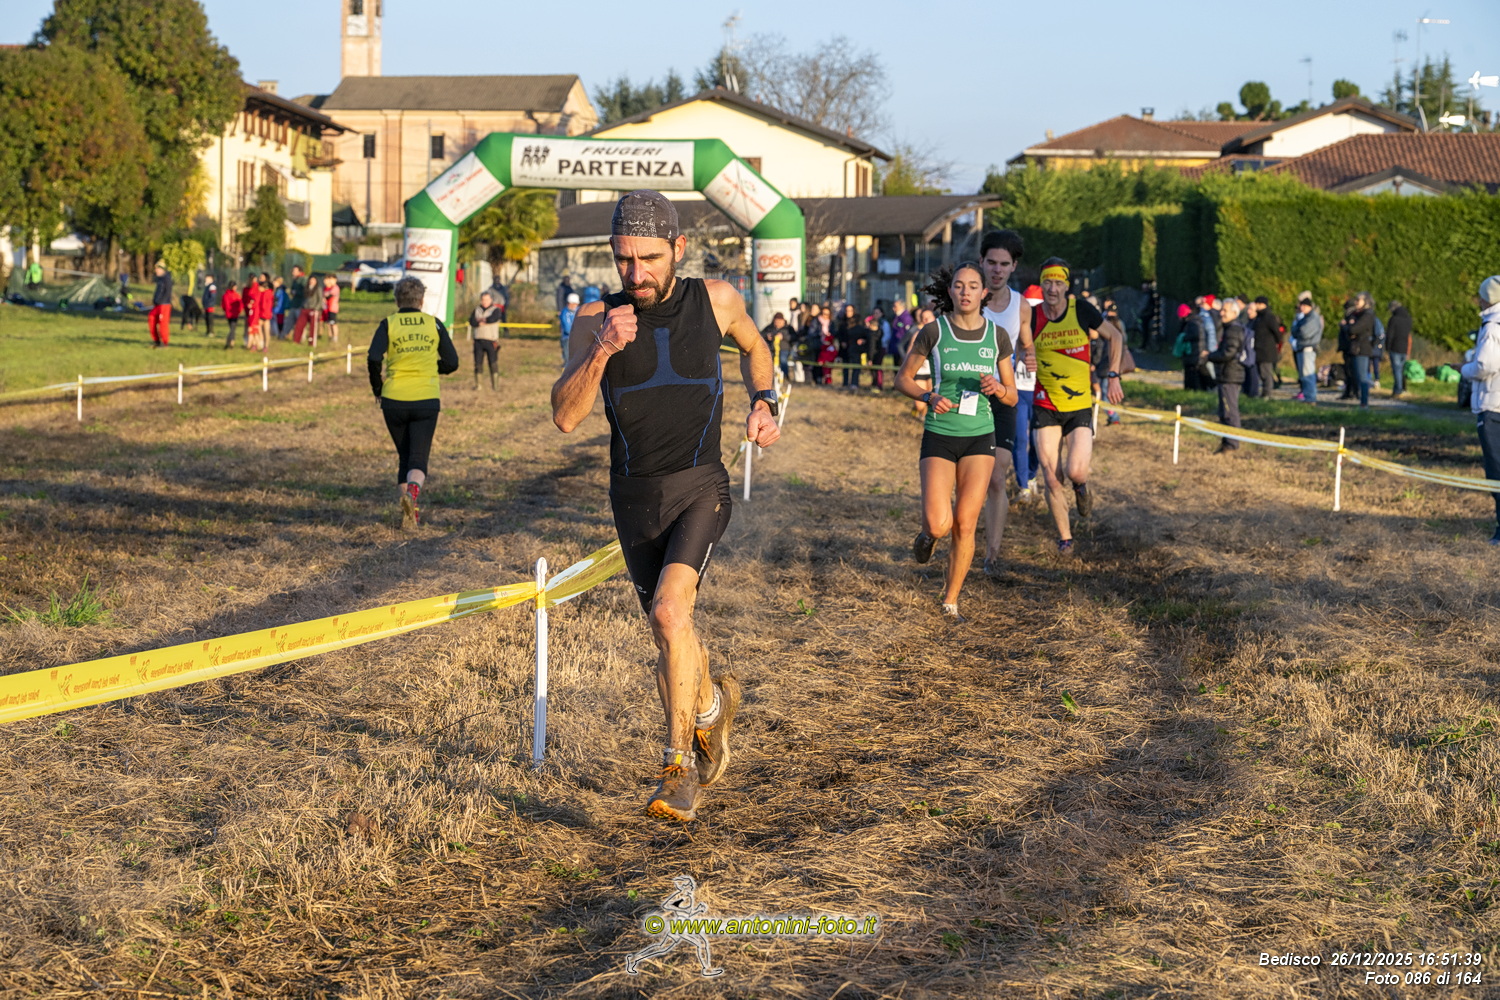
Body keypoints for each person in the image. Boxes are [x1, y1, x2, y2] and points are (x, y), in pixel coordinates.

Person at [550, 190, 780, 823]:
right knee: (669, 631)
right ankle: (711, 710)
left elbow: (756, 349)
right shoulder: (595, 318)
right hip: (633, 496)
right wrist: (602, 349)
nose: (637, 273)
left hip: (701, 484)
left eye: (650, 258)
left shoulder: (717, 300)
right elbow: (565, 417)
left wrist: (765, 401)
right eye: (624, 259)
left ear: (678, 248)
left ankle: (678, 771)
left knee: (670, 612)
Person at [896, 262, 1017, 620]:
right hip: (940, 433)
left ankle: (950, 601)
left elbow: (1011, 396)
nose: (966, 292)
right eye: (959, 285)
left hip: (980, 435)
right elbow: (902, 379)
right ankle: (927, 536)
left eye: (973, 286)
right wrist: (928, 396)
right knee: (939, 523)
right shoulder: (934, 331)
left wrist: (998, 388)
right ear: (950, 291)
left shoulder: (997, 336)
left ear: (984, 293)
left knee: (965, 522)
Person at [1030, 259, 1124, 556]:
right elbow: (1014, 345)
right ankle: (1065, 539)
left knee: (1076, 471)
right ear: (1041, 284)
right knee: (1051, 477)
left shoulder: (1081, 310)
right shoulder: (1031, 316)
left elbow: (1115, 336)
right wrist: (1023, 355)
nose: (1052, 289)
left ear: (1066, 286)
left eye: (1058, 283)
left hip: (1079, 405)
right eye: (1047, 282)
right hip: (1045, 403)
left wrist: (1113, 375)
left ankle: (1081, 487)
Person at [368, 276, 459, 528]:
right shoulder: (433, 323)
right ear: (421, 300)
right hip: (426, 399)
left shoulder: (388, 324)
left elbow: (374, 357)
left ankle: (409, 514)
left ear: (397, 300)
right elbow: (452, 362)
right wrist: (430, 367)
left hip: (393, 399)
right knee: (418, 458)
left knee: (404, 456)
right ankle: (413, 493)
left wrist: (377, 387)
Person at [976, 229, 1036, 577]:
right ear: (981, 262)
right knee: (970, 476)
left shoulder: (1021, 306)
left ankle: (992, 555)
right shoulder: (968, 297)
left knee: (997, 477)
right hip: (967, 396)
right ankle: (959, 535)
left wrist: (1030, 356)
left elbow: (1026, 342)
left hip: (1003, 397)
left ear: (1014, 266)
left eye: (1004, 264)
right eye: (991, 263)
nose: (996, 270)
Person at [1459, 276, 1500, 545]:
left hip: (1493, 406)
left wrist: (1464, 369)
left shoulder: (1493, 325)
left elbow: (1485, 365)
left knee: (1496, 470)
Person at [1205, 297, 1249, 453]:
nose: (1221, 313)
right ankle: (1226, 441)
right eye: (1221, 310)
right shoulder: (1228, 328)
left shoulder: (1233, 330)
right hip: (1227, 374)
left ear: (1234, 313)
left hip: (1230, 374)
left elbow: (1228, 352)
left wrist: (1210, 356)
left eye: (1225, 310)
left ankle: (1231, 443)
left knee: (1229, 410)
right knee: (1224, 410)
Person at [1290, 296, 1324, 404]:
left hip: (1308, 348)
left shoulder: (1313, 318)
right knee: (1303, 375)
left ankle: (1310, 398)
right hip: (1301, 347)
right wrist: (1298, 330)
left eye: (1305, 306)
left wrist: (1298, 330)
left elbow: (1305, 333)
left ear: (1310, 307)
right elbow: (1294, 331)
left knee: (1308, 374)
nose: (1302, 308)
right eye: (1301, 306)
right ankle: (1307, 396)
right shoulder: (1304, 317)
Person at [468, 290, 504, 391]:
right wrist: (480, 321)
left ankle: (495, 386)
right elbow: (472, 321)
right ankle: (478, 385)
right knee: (478, 363)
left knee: (493, 363)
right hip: (478, 340)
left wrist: (482, 320)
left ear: (491, 300)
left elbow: (493, 319)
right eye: (483, 299)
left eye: (487, 299)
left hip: (491, 340)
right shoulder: (477, 310)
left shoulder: (495, 310)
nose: (485, 302)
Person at [1251, 296, 1284, 397]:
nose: (1256, 306)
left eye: (1258, 304)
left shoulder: (1269, 317)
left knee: (1266, 373)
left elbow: (1277, 332)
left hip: (1267, 350)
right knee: (1262, 372)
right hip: (1259, 349)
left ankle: (1267, 393)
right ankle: (1264, 392)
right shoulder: (1259, 317)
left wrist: (1276, 342)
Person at [1347, 292, 1376, 407]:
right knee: (1358, 375)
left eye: (1358, 300)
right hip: (1357, 347)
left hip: (1362, 348)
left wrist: (1350, 327)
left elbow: (1354, 329)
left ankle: (1364, 402)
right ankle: (1362, 399)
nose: (1356, 302)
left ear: (1366, 302)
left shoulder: (1367, 315)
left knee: (1362, 376)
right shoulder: (1357, 314)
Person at [1387, 299, 1413, 398]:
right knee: (1400, 370)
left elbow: (1390, 335)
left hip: (1395, 347)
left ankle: (1398, 390)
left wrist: (1387, 347)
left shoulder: (1394, 319)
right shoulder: (1408, 319)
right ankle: (1397, 390)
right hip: (1404, 348)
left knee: (1396, 370)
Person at [836, 302, 865, 389]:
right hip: (845, 348)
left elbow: (864, 334)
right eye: (847, 311)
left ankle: (854, 383)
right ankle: (845, 383)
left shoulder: (859, 322)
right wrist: (842, 342)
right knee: (846, 366)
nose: (848, 312)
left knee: (856, 366)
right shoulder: (843, 323)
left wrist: (862, 340)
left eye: (850, 311)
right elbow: (839, 334)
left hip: (856, 348)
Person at [148, 262, 173, 348]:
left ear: (162, 269)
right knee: (151, 318)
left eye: (157, 269)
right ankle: (156, 341)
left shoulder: (167, 279)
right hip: (157, 304)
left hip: (164, 305)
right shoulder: (160, 279)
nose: (156, 270)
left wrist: (161, 301)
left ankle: (164, 343)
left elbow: (167, 292)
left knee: (163, 324)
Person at [285, 265, 307, 341]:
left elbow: (305, 291)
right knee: (289, 321)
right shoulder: (295, 280)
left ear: (300, 271)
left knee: (300, 322)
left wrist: (296, 292)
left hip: (300, 304)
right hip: (294, 304)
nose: (293, 272)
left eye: (294, 271)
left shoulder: (303, 280)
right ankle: (284, 335)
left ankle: (301, 337)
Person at [559, 291, 580, 362]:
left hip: (578, 338)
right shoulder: (565, 313)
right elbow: (567, 328)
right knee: (568, 358)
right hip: (567, 338)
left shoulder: (579, 311)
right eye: (574, 304)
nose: (576, 306)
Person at [221, 281, 242, 349]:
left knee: (232, 328)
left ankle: (228, 342)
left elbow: (240, 304)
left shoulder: (227, 295)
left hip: (232, 314)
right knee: (232, 329)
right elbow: (224, 305)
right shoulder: (232, 295)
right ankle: (231, 342)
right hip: (232, 314)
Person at [322, 273, 341, 344]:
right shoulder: (327, 288)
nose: (330, 281)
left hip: (332, 308)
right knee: (329, 324)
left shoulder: (335, 288)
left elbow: (328, 296)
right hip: (327, 308)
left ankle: (335, 337)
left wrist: (324, 296)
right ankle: (330, 338)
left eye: (331, 279)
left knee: (333, 323)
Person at [271, 276, 288, 340]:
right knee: (278, 322)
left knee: (279, 323)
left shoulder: (279, 291)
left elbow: (277, 300)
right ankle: (279, 334)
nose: (273, 283)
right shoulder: (278, 290)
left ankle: (281, 335)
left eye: (275, 282)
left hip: (278, 310)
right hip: (278, 309)